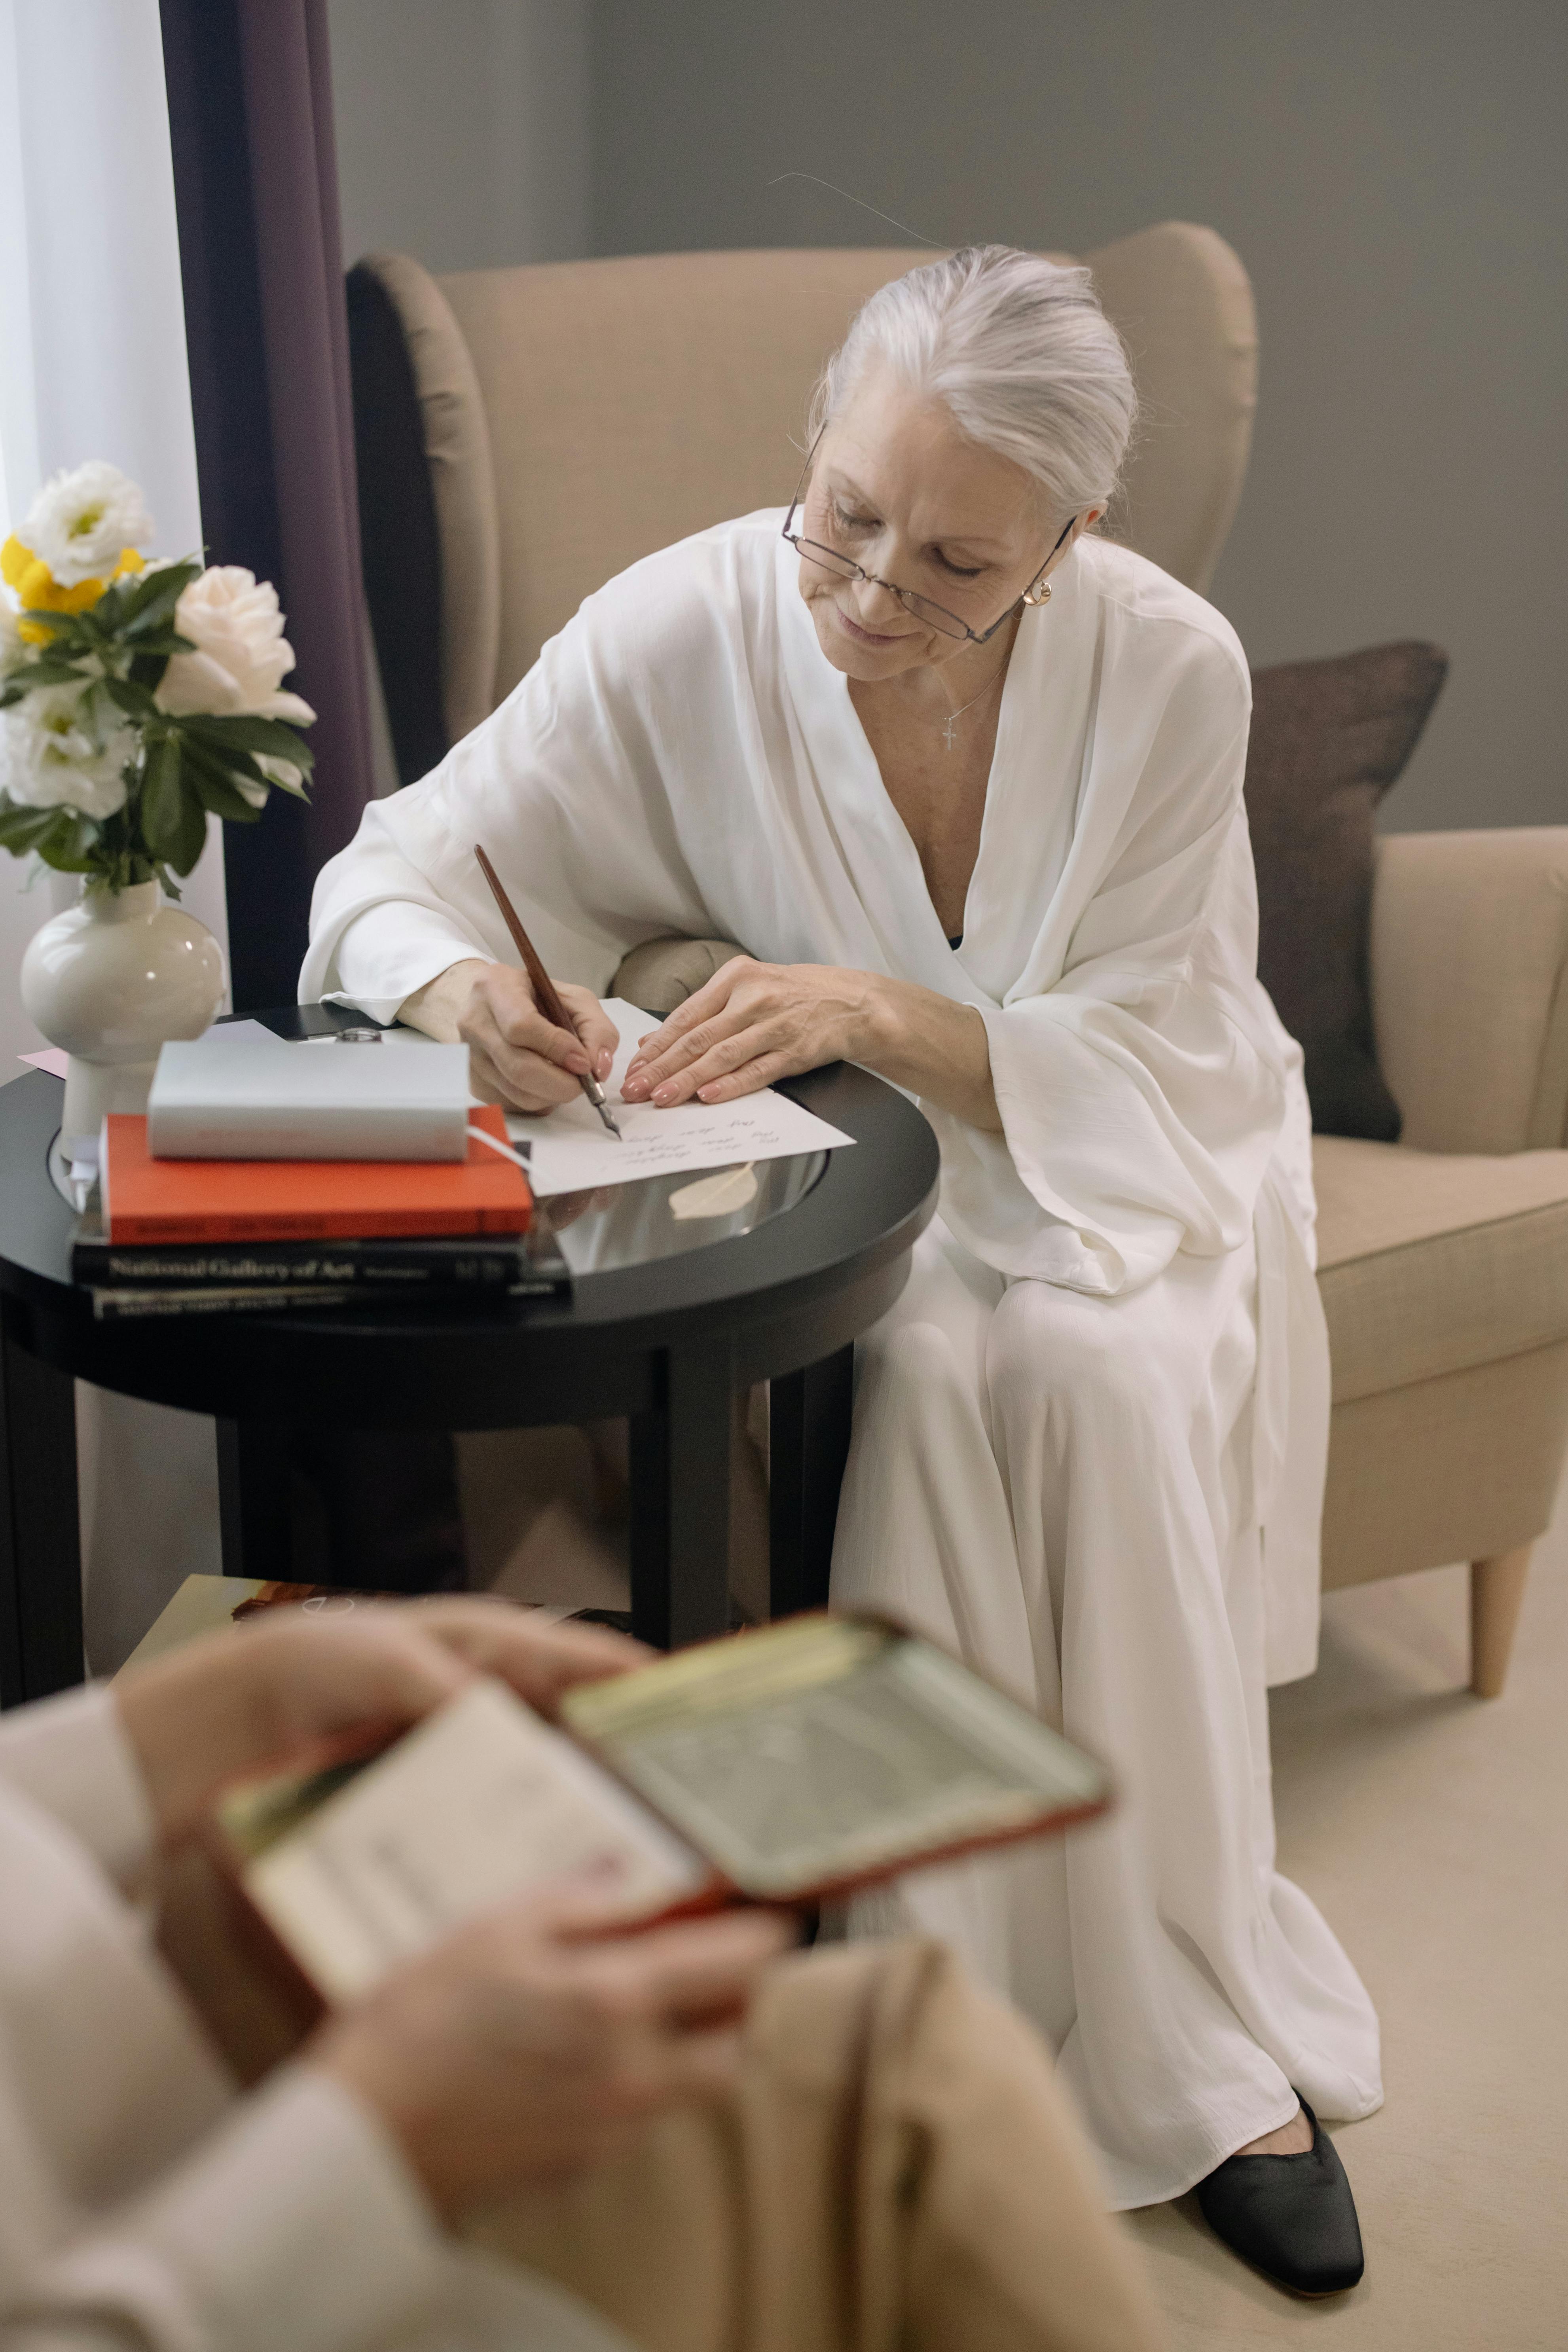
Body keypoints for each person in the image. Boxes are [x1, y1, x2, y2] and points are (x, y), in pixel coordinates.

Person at [303, 245, 1380, 2291]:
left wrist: (872, 1010)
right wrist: (450, 986)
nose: (872, 592)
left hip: (1120, 1153)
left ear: (1070, 541)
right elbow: (388, 863)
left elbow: (1159, 1049)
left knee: (1099, 1369)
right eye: (848, 516)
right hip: (865, 1191)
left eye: (952, 563)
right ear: (810, 444)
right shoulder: (681, 626)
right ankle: (946, 2000)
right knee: (949, 1369)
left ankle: (1198, 2026)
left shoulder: (1172, 671)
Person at [0, 1597, 1163, 2352]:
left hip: (84, 2026)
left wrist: (217, 1708)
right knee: (912, 2073)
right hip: (184, 2257)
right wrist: (380, 2139)